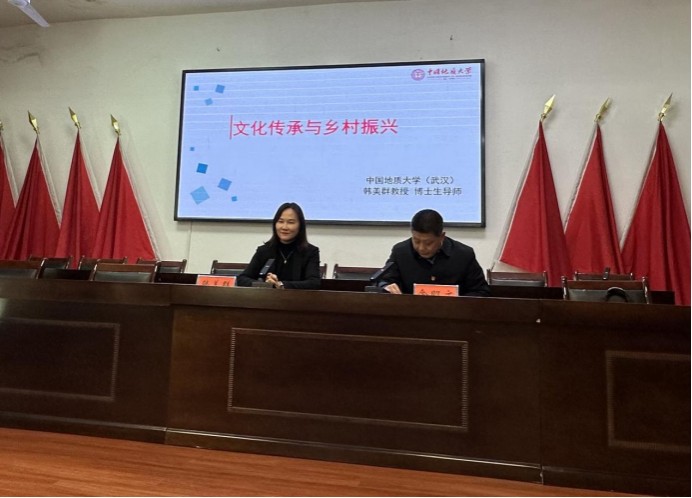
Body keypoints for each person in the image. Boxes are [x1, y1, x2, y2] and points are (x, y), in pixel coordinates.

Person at [380, 209, 491, 296]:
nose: (421, 248)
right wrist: (386, 286)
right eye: (416, 241)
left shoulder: (464, 254)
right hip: (410, 314)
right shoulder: (400, 252)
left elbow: (481, 291)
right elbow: (384, 280)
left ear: (442, 237)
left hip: (453, 315)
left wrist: (458, 304)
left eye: (428, 243)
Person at [236, 202, 321, 290]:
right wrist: (265, 284)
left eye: (291, 222)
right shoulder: (264, 250)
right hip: (267, 298)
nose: (284, 227)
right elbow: (242, 279)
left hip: (298, 298)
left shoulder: (310, 252)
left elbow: (314, 283)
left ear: (300, 226)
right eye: (280, 221)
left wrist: (280, 284)